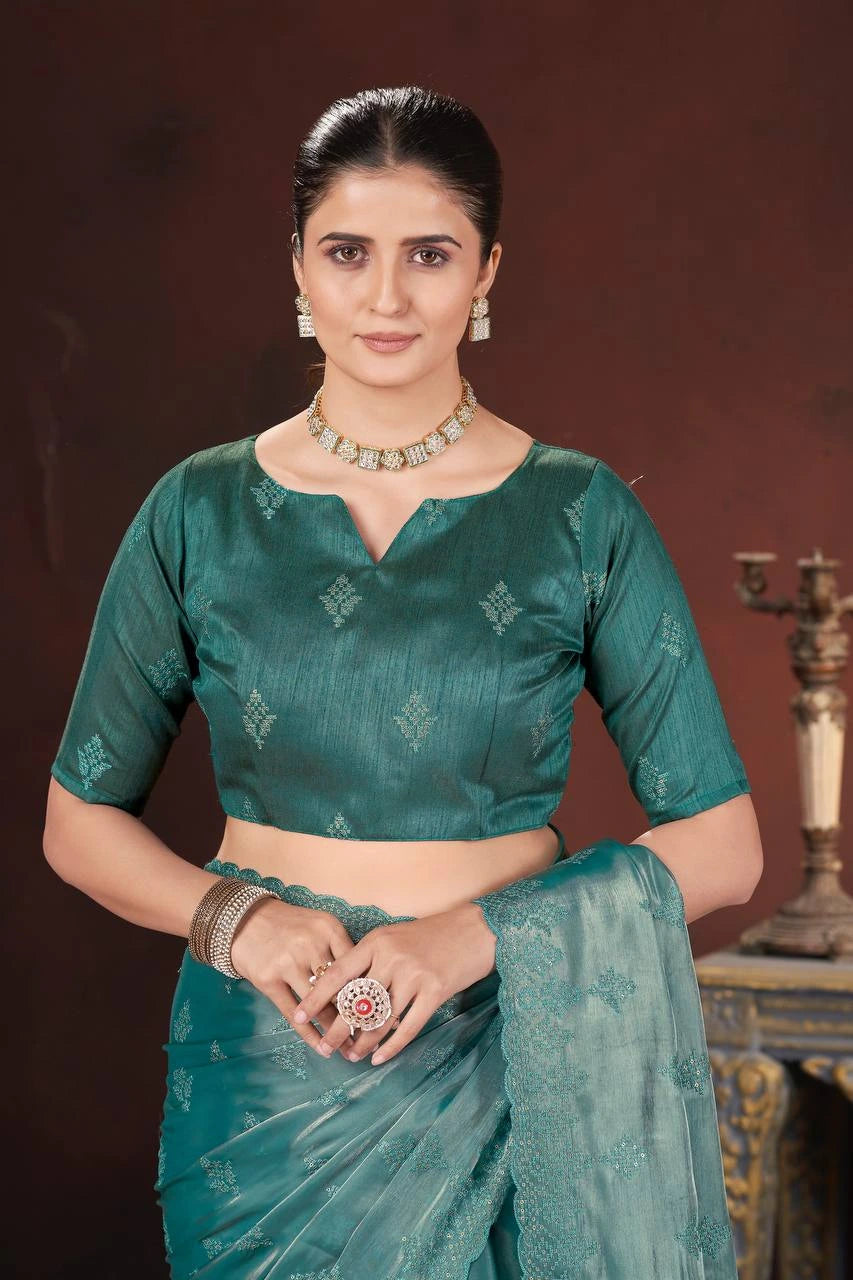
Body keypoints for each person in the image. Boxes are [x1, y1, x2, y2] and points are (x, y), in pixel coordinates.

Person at [43, 85, 763, 1280]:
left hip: (513, 1051)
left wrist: (475, 939)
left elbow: (725, 845)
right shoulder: (198, 511)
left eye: (428, 254)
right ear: (298, 267)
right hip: (268, 1073)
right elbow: (78, 819)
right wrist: (240, 920)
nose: (385, 297)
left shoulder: (577, 513)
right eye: (348, 252)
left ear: (486, 272)